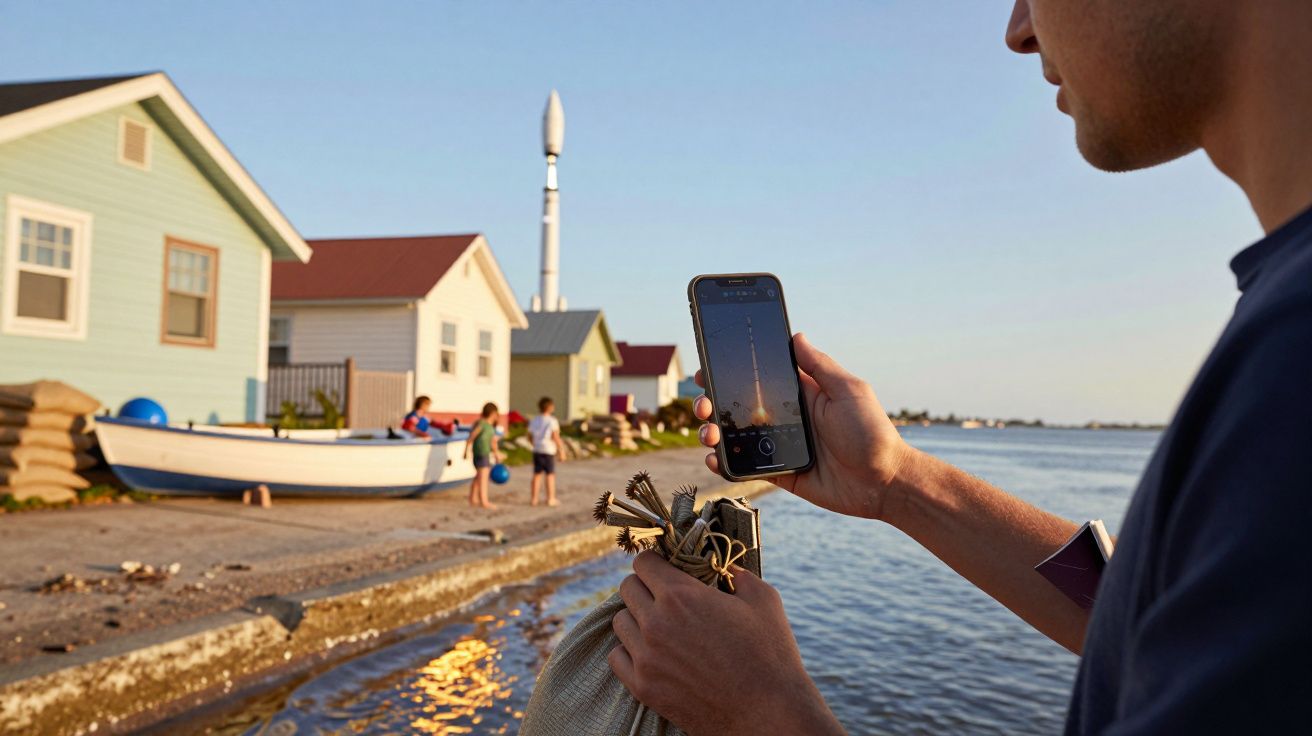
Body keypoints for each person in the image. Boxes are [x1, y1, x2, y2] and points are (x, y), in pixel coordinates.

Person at [607, 2, 1312, 734]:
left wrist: (764, 711)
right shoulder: (1284, 320)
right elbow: (1147, 622)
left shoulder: (1294, 357)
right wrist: (897, 483)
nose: (1018, 30)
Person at [528, 397, 566, 506]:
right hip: (548, 450)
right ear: (550, 408)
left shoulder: (534, 420)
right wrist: (561, 450)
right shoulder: (552, 421)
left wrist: (534, 444)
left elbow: (529, 435)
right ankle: (550, 499)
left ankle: (534, 499)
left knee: (537, 474)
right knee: (550, 475)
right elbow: (555, 436)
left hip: (537, 449)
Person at [463, 402, 501, 509]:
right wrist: (465, 451)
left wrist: (497, 454)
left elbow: (492, 443)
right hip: (481, 454)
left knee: (478, 477)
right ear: (493, 413)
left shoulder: (488, 426)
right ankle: (484, 501)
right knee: (483, 478)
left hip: (482, 453)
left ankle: (473, 498)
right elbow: (472, 437)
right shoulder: (482, 424)